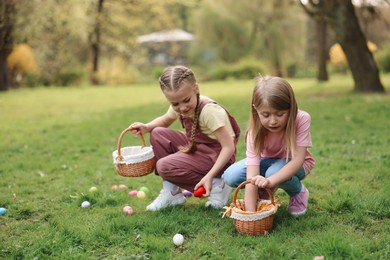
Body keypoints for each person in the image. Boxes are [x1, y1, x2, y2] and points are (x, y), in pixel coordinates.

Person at [129, 65, 240, 211]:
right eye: (175, 104)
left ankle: (217, 185)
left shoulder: (209, 111)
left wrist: (211, 175)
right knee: (158, 133)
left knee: (163, 166)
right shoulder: (182, 102)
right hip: (198, 148)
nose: (182, 107)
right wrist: (147, 127)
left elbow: (228, 147)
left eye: (186, 100)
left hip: (218, 157)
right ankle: (172, 193)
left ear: (196, 89)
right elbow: (165, 120)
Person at [222, 76, 315, 217]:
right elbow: (251, 176)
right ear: (256, 109)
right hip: (268, 162)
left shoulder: (301, 119)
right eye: (265, 115)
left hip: (298, 163)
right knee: (231, 175)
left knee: (273, 173)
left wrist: (270, 181)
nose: (273, 121)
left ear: (291, 107)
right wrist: (251, 214)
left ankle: (298, 192)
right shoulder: (254, 132)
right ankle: (264, 191)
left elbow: (298, 160)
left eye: (280, 114)